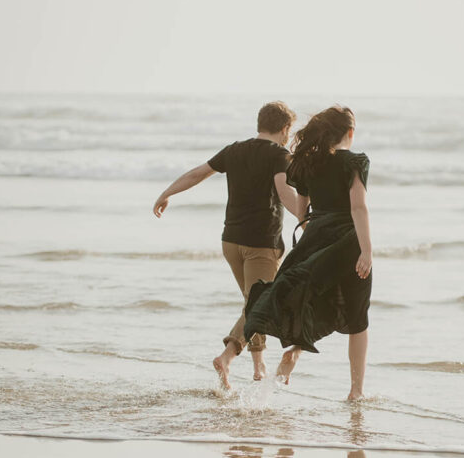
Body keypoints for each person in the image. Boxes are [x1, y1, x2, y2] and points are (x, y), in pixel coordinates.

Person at [153, 101, 300, 388]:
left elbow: (197, 173)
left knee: (252, 301)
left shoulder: (234, 149)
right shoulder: (279, 155)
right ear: (284, 129)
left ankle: (258, 367)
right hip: (261, 244)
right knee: (260, 305)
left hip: (231, 242)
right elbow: (285, 192)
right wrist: (309, 219)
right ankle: (228, 356)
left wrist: (166, 192)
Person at [244, 105, 372, 401]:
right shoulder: (355, 161)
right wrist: (366, 250)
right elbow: (358, 208)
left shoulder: (306, 163)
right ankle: (356, 391)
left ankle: (296, 350)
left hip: (315, 236)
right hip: (349, 241)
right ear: (350, 133)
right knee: (357, 317)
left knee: (316, 298)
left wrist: (314, 246)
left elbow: (302, 213)